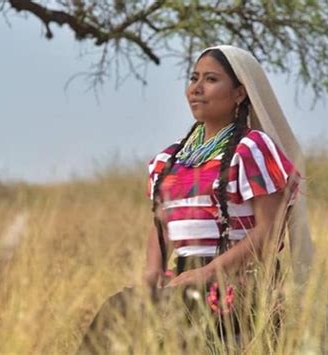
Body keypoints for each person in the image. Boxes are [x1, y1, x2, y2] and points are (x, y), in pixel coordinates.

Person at [77, 45, 315, 354]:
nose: (196, 89)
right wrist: (151, 275)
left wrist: (208, 272)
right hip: (184, 278)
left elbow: (268, 232)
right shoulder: (170, 159)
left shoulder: (252, 148)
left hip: (240, 280)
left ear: (240, 93)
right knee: (119, 310)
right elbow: (162, 226)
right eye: (193, 78)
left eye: (211, 79)